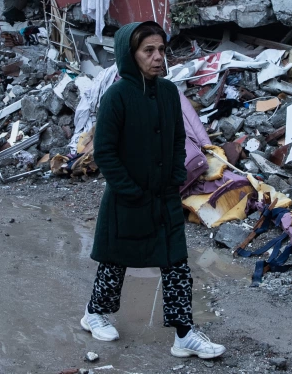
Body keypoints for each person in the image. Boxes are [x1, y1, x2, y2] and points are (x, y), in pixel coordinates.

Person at [80, 21, 226, 360]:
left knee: (176, 262)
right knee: (116, 260)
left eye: (161, 49)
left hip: (164, 196)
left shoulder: (168, 92)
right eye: (149, 50)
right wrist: (129, 190)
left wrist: (176, 176)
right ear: (130, 55)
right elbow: (104, 152)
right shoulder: (117, 96)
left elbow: (178, 138)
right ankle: (94, 313)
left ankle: (185, 334)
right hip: (127, 197)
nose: (158, 57)